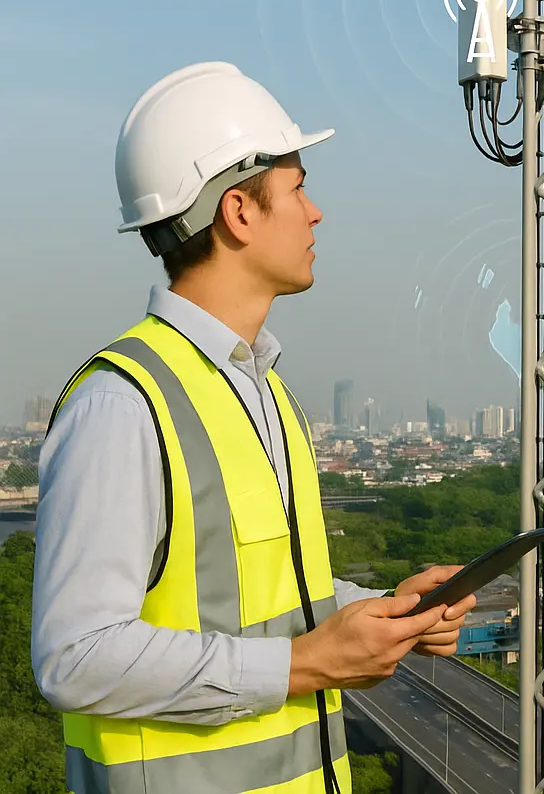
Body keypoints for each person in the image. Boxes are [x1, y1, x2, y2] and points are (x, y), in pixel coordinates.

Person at [31, 62, 477, 794]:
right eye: (298, 188)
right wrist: (307, 664)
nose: (316, 212)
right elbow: (75, 657)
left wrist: (382, 611)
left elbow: (265, 594)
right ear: (239, 212)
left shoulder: (261, 388)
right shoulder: (125, 404)